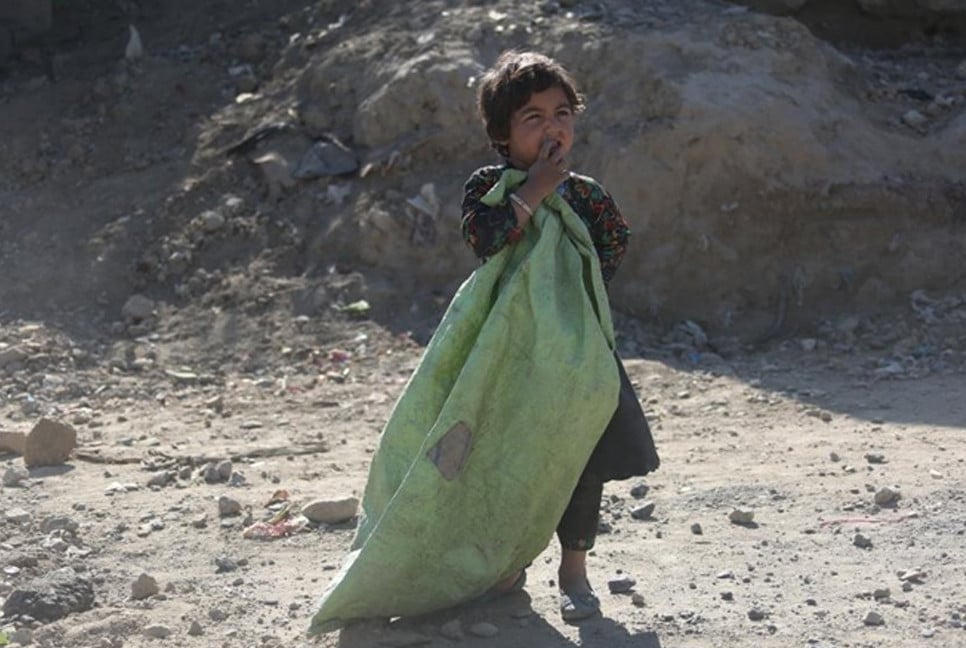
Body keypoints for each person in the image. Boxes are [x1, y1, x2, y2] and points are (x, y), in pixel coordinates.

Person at [460, 50, 661, 622]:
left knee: (581, 460)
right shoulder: (489, 188)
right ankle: (508, 567)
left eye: (563, 113)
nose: (553, 127)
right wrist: (536, 190)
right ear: (501, 134)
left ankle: (574, 571)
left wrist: (569, 289)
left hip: (572, 351)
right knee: (507, 457)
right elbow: (485, 240)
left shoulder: (587, 194)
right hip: (510, 354)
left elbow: (614, 243)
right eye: (533, 118)